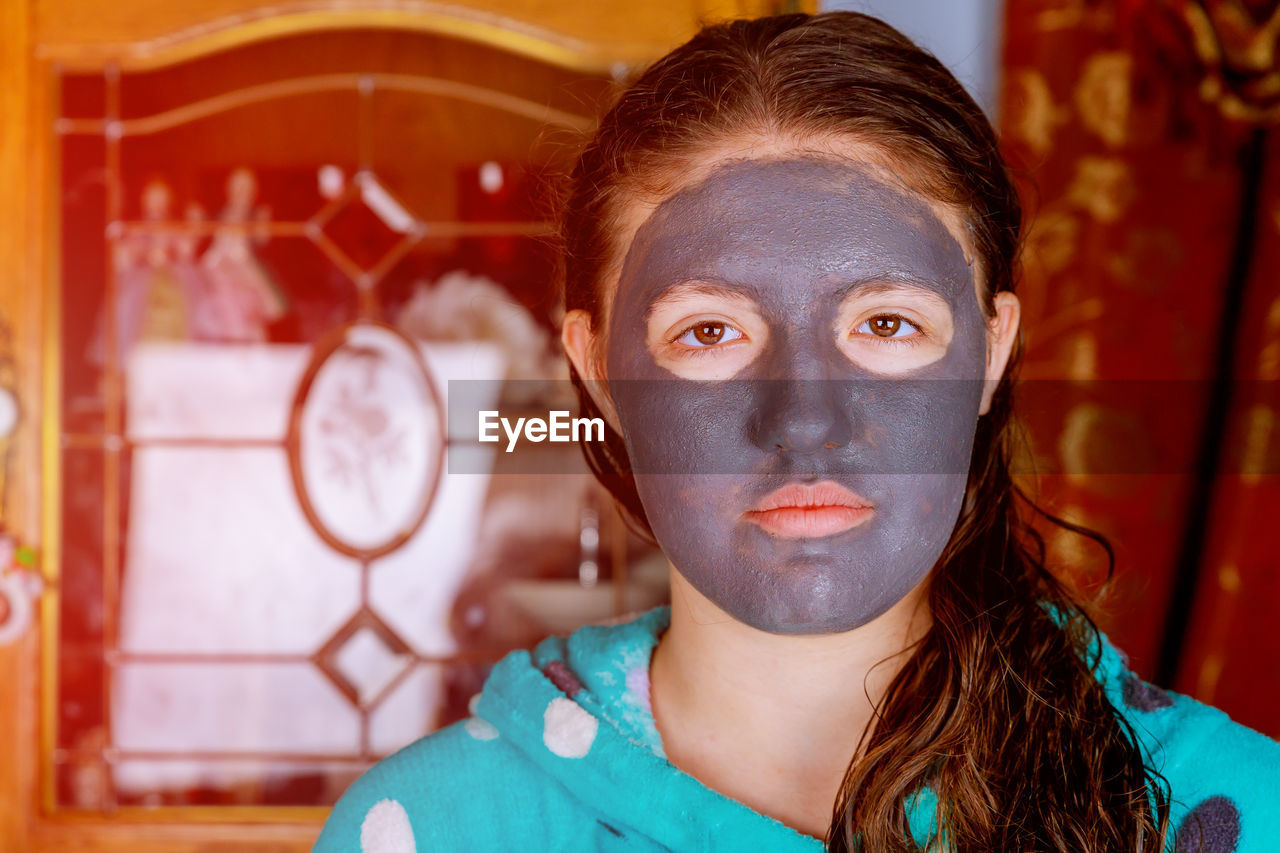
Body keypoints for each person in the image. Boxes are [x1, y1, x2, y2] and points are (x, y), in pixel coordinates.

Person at [314, 12, 1280, 852]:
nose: (805, 422)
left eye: (886, 325)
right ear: (599, 369)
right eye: (709, 332)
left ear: (990, 352)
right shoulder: (432, 828)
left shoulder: (1237, 812)